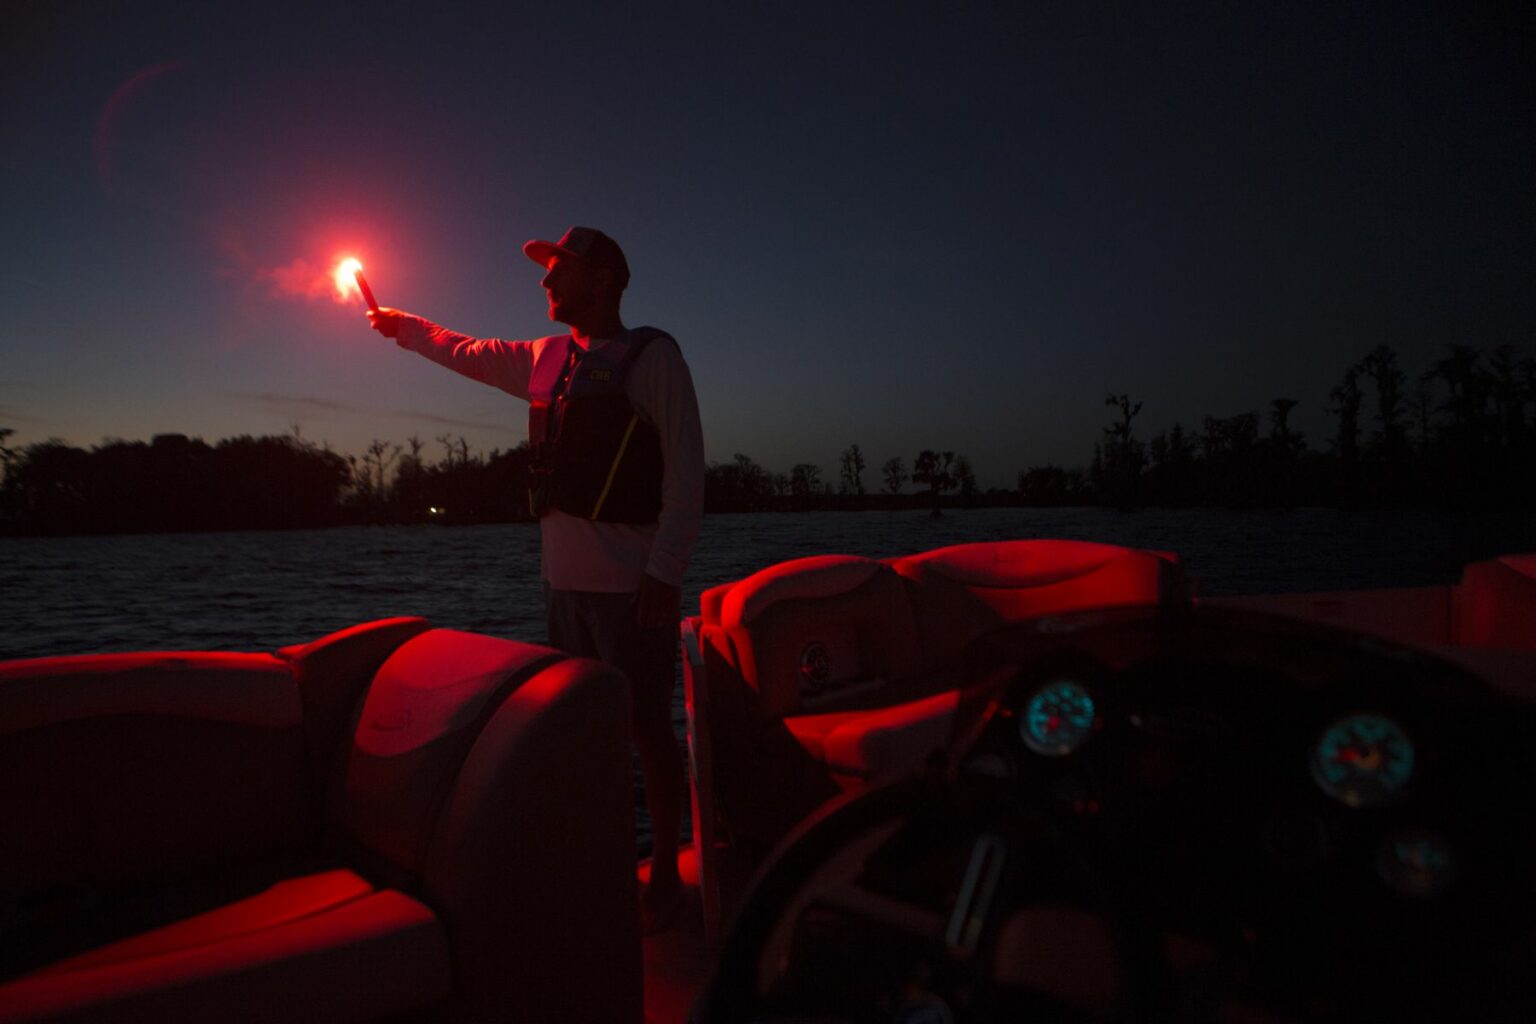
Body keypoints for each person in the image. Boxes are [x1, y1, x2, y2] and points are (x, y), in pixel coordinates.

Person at [366, 226, 704, 933]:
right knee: (586, 741)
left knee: (646, 730)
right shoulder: (544, 359)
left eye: (562, 272)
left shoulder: (654, 358)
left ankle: (669, 872)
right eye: (546, 273)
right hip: (563, 591)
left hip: (631, 592)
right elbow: (463, 350)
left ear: (605, 281)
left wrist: (665, 574)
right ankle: (604, 874)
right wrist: (402, 327)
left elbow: (686, 475)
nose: (546, 284)